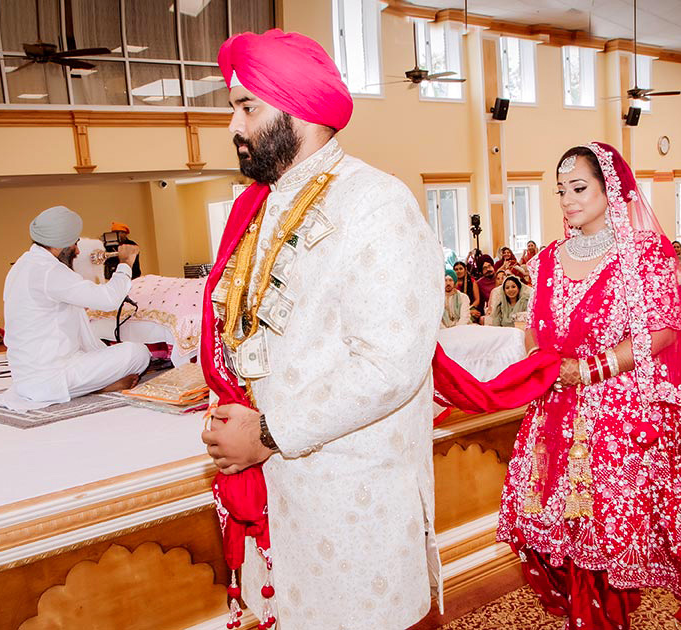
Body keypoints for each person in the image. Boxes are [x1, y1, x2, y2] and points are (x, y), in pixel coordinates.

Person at [197, 30, 443, 629]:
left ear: (298, 110)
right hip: (281, 492)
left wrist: (268, 432)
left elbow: (390, 363)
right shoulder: (263, 205)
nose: (233, 125)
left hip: (351, 496)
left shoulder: (376, 203)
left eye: (247, 107)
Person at [433, 142, 681, 629]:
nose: (568, 200)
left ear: (610, 188)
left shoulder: (643, 254)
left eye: (579, 188)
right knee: (557, 528)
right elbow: (534, 323)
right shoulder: (550, 257)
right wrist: (539, 358)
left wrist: (590, 369)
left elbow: (662, 330)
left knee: (605, 525)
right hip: (556, 408)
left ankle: (602, 617)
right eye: (560, 191)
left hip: (617, 410)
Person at [0, 205, 152, 408]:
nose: (78, 251)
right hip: (50, 377)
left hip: (25, 378)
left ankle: (95, 385)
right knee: (138, 353)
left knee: (103, 352)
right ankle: (98, 387)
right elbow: (109, 299)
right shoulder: (49, 271)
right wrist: (126, 263)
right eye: (75, 244)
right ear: (61, 244)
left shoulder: (22, 265)